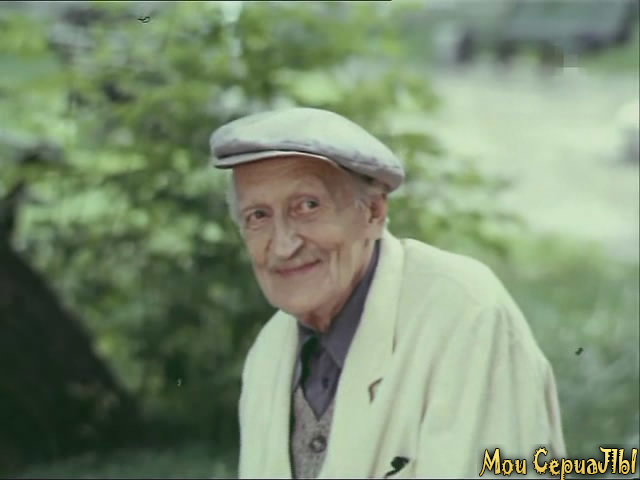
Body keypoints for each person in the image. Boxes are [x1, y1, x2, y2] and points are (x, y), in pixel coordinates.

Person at [209, 107, 567, 479]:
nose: (284, 245)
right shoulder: (269, 352)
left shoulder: (466, 315)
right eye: (258, 216)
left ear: (374, 213)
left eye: (308, 206)